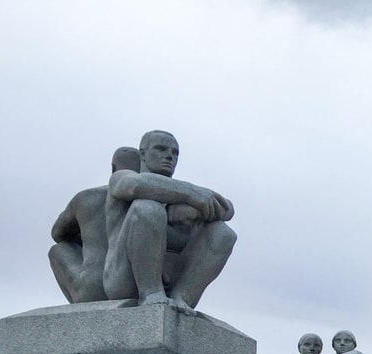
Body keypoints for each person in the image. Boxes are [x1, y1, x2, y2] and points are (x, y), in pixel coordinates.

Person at [103, 130, 236, 312]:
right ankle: (150, 292)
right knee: (148, 208)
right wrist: (192, 195)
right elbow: (132, 186)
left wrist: (195, 201)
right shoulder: (123, 176)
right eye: (161, 149)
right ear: (142, 153)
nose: (169, 156)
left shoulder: (181, 192)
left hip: (173, 278)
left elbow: (227, 209)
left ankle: (182, 297)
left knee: (223, 233)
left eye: (175, 153)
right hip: (124, 279)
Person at [48, 146, 140, 303]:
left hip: (90, 288)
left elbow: (57, 234)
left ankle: (79, 305)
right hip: (130, 286)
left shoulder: (85, 197)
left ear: (113, 168)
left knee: (57, 250)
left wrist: (88, 234)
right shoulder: (144, 199)